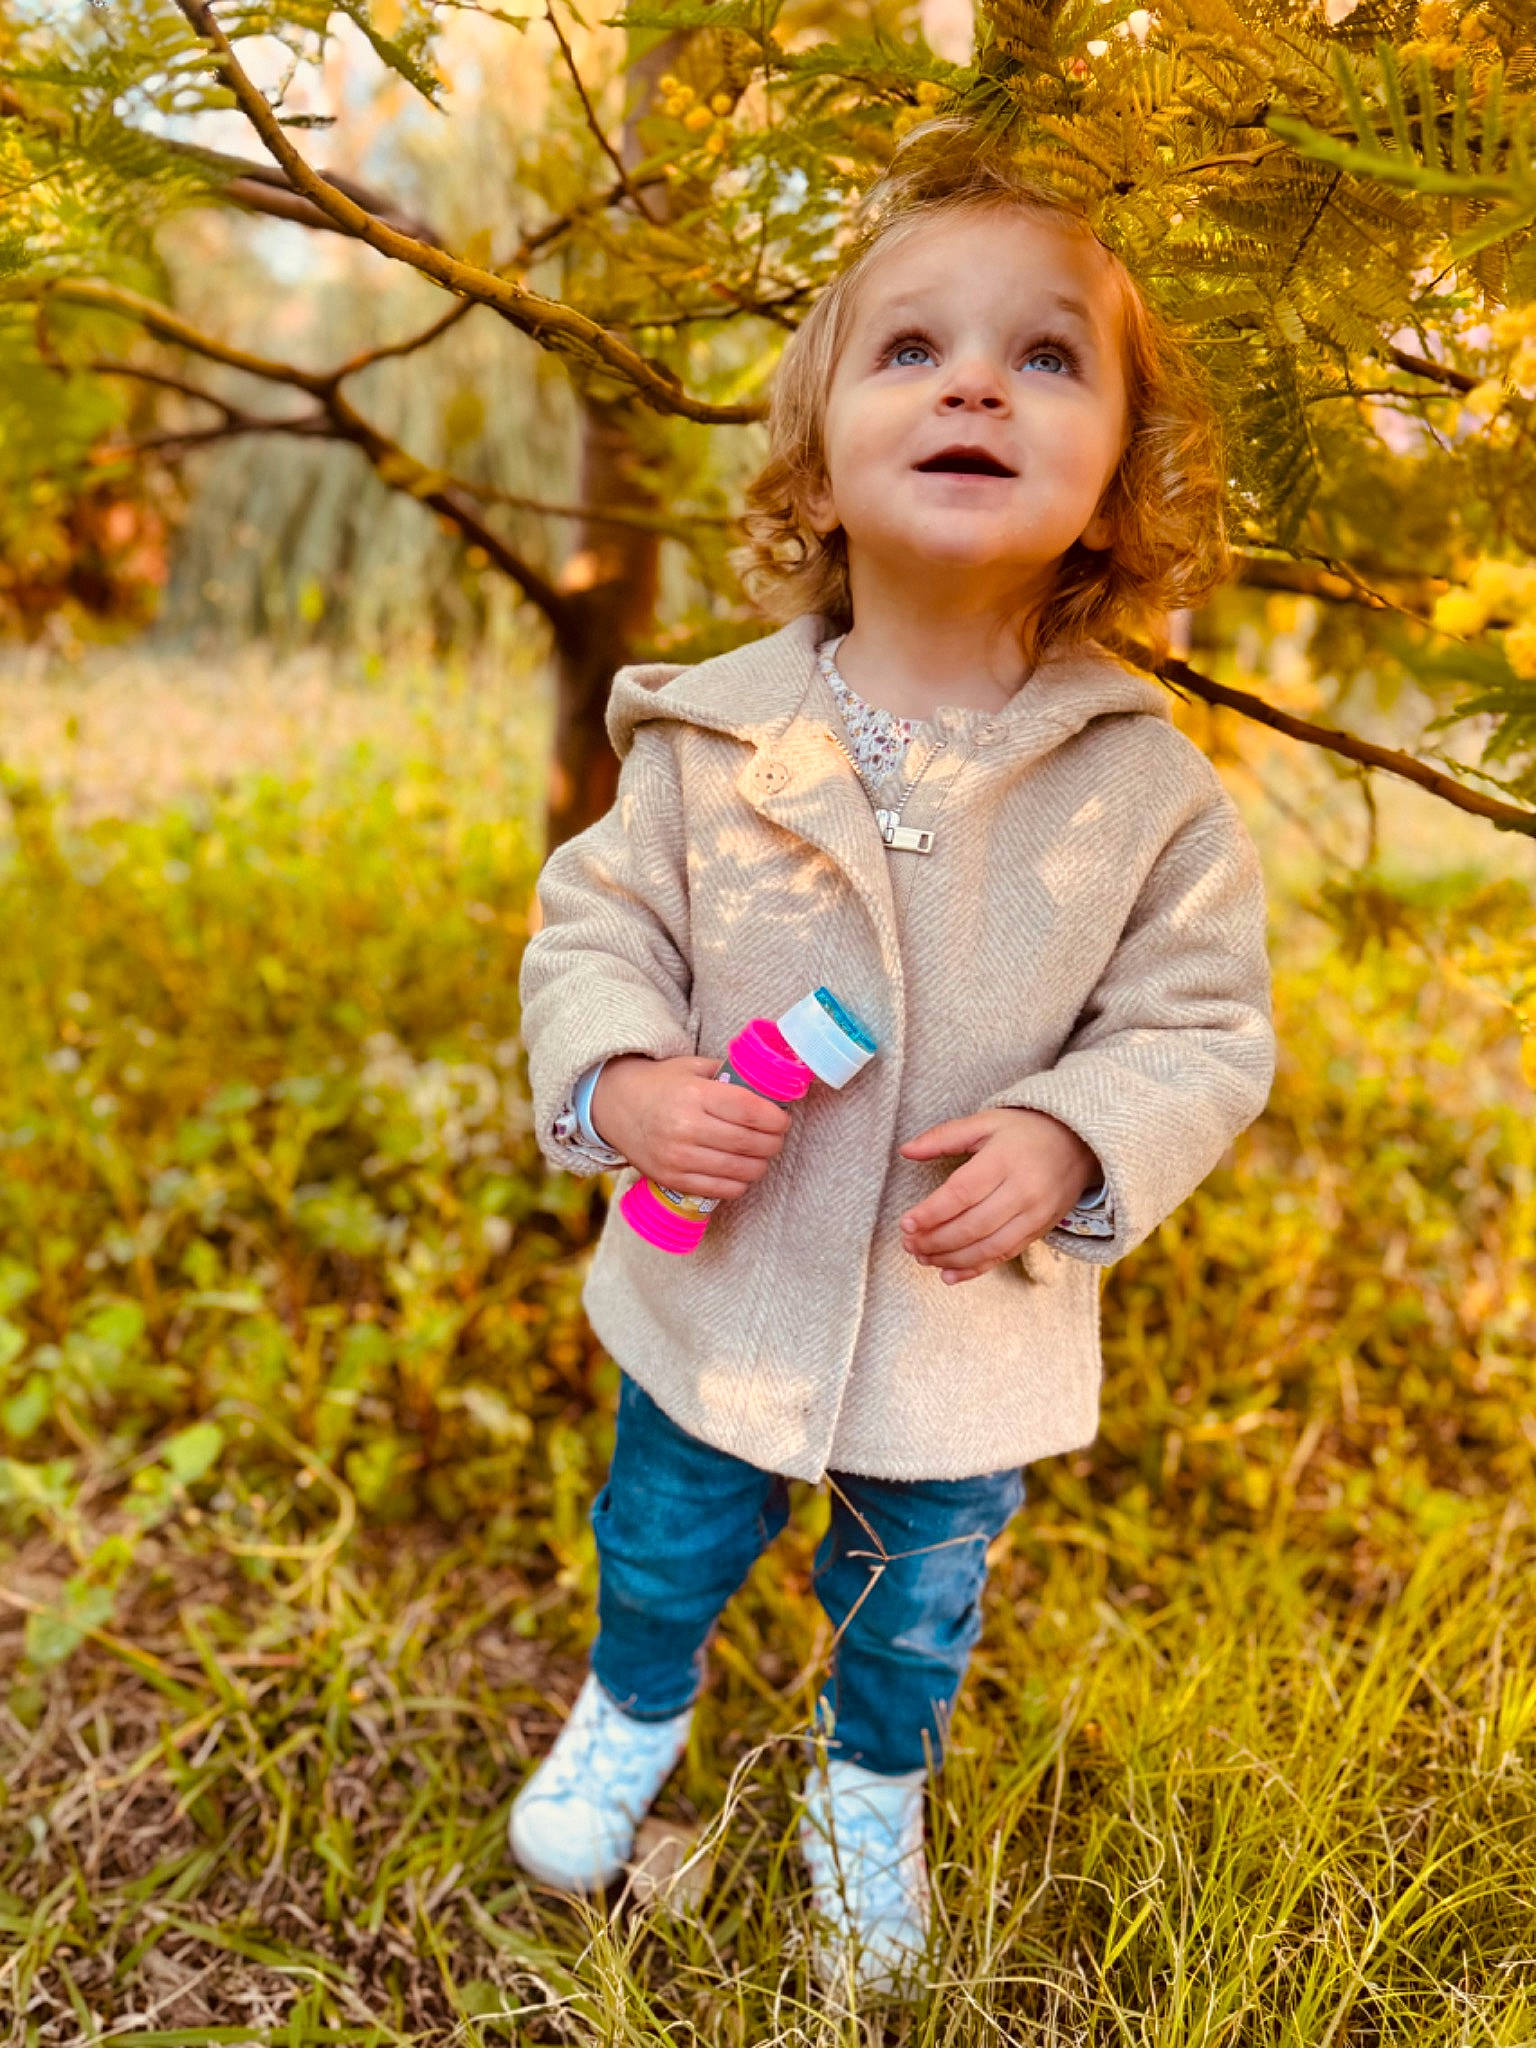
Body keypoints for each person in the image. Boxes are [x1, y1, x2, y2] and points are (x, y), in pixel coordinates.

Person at [511, 121, 1276, 1998]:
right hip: (717, 1292)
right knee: (663, 1534)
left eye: (1045, 358)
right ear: (824, 455)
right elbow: (596, 929)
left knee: (916, 1598)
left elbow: (1202, 1027)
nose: (976, 391)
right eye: (914, 350)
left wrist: (1076, 1135)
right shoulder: (708, 737)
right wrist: (622, 1085)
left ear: (1110, 485)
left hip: (958, 1330)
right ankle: (632, 1709)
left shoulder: (1144, 790)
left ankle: (872, 1788)